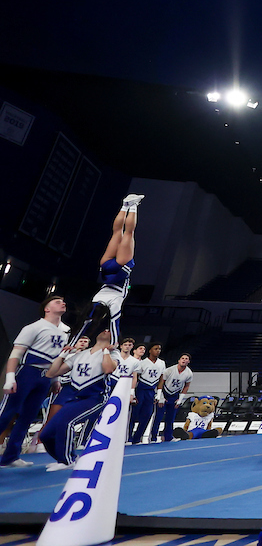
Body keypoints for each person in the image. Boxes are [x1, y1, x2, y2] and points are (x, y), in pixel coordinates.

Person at [0, 296, 70, 468]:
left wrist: (55, 379)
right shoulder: (34, 327)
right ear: (46, 309)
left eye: (63, 301)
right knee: (8, 412)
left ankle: (10, 457)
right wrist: (10, 378)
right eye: (57, 301)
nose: (62, 303)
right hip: (27, 372)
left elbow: (57, 358)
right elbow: (16, 354)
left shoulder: (66, 331)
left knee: (28, 416)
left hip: (46, 376)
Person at [40, 330, 116, 471]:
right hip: (76, 397)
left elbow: (108, 369)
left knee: (67, 422)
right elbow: (52, 372)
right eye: (103, 329)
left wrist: (106, 351)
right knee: (45, 434)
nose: (105, 330)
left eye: (109, 330)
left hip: (96, 397)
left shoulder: (113, 353)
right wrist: (63, 354)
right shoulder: (80, 354)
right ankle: (63, 458)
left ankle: (67, 460)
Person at [74, 194, 144, 346]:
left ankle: (133, 206)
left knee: (128, 233)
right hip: (105, 270)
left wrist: (114, 343)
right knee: (117, 232)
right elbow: (84, 323)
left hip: (120, 270)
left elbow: (115, 322)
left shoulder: (115, 302)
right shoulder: (95, 300)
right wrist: (72, 342)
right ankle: (124, 205)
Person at [153, 354, 193, 443]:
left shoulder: (189, 373)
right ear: (179, 360)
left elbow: (186, 386)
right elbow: (160, 383)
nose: (184, 360)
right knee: (158, 417)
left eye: (186, 359)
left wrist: (180, 399)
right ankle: (153, 437)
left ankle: (168, 437)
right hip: (164, 393)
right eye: (182, 358)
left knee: (170, 418)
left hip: (175, 395)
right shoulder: (169, 370)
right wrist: (160, 397)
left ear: (188, 362)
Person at [131, 343, 166, 444]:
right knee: (134, 414)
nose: (158, 351)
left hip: (151, 391)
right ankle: (129, 437)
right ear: (150, 351)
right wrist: (133, 393)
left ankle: (138, 437)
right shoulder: (142, 363)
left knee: (147, 415)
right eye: (155, 349)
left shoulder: (161, 363)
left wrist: (159, 393)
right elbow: (135, 377)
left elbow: (161, 379)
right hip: (141, 390)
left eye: (159, 349)